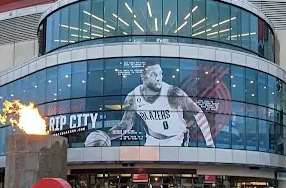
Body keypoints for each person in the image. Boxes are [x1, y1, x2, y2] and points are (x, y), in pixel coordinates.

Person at [84, 62, 215, 148]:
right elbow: (125, 125)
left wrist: (209, 143)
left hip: (176, 139)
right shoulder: (133, 97)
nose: (159, 78)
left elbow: (198, 113)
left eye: (160, 74)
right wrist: (107, 135)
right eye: (154, 74)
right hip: (152, 139)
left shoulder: (172, 92)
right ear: (144, 77)